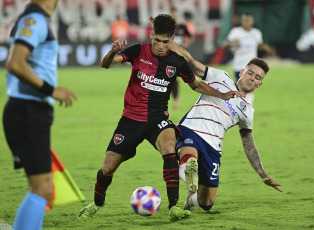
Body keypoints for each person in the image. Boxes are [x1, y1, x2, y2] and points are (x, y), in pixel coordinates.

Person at [77, 14, 240, 221]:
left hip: (158, 119)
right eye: (157, 40)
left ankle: (173, 207)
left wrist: (222, 94)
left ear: (171, 40)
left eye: (165, 42)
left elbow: (196, 85)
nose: (160, 46)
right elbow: (105, 64)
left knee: (170, 145)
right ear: (151, 34)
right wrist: (112, 51)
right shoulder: (138, 51)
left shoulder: (178, 62)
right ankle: (97, 203)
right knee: (108, 168)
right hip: (131, 120)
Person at [169, 43, 282, 212]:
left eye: (258, 78)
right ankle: (188, 171)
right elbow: (191, 61)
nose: (252, 78)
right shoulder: (220, 76)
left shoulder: (247, 111)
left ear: (259, 84)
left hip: (213, 147)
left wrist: (263, 175)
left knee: (207, 203)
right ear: (242, 72)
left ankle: (191, 199)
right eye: (250, 72)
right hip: (191, 128)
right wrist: (169, 42)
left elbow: (249, 145)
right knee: (189, 155)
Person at [3, 1, 77, 229]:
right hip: (28, 111)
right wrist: (51, 90)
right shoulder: (35, 20)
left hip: (28, 111)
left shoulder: (34, 18)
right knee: (43, 189)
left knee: (40, 188)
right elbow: (15, 63)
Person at [223, 13, 272, 104]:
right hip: (239, 65)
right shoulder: (236, 31)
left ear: (252, 22)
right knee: (240, 87)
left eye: (248, 20)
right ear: (241, 22)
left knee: (250, 86)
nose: (247, 22)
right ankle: (237, 106)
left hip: (251, 65)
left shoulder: (256, 33)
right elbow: (225, 44)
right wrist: (233, 43)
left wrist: (265, 47)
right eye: (245, 20)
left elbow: (259, 45)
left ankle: (248, 106)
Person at [169, 8, 195, 110]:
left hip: (180, 55)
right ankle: (175, 98)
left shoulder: (182, 27)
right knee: (172, 77)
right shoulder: (167, 27)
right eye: (171, 15)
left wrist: (186, 44)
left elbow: (191, 37)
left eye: (174, 15)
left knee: (174, 77)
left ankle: (176, 98)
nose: (173, 17)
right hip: (169, 55)